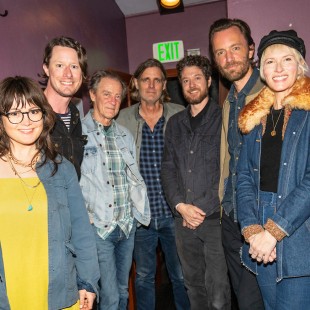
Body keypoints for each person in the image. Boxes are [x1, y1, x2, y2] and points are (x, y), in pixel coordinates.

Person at [0, 76, 100, 309]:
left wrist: (88, 281)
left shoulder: (61, 168)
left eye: (33, 111)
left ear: (43, 115)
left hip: (58, 289)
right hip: (8, 292)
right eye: (14, 113)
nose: (26, 121)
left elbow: (81, 229)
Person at [237, 29, 310, 309]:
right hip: (258, 228)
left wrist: (273, 232)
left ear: (300, 66)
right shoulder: (254, 118)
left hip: (298, 229)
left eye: (287, 59)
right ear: (262, 71)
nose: (278, 68)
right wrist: (252, 230)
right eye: (270, 61)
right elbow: (243, 177)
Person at [116, 58, 189, 310]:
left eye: (157, 79)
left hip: (174, 213)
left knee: (180, 276)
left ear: (163, 85)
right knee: (144, 276)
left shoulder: (180, 114)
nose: (151, 85)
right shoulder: (121, 118)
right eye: (145, 79)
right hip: (141, 217)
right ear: (136, 83)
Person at [161, 55, 231, 310]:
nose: (191, 85)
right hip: (182, 221)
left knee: (218, 291)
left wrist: (198, 209)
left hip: (214, 220)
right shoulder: (174, 124)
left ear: (209, 81)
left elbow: (228, 171)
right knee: (193, 286)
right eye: (185, 80)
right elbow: (167, 169)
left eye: (197, 78)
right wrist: (180, 206)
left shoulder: (225, 118)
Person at [79, 70, 151, 310]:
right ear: (92, 95)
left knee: (122, 292)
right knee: (108, 297)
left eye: (117, 96)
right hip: (99, 229)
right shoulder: (79, 135)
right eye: (106, 94)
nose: (112, 101)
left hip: (126, 227)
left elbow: (132, 179)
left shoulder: (125, 135)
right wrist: (85, 219)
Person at [209, 18, 264, 309]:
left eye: (235, 48)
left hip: (262, 219)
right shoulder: (229, 100)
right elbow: (229, 157)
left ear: (251, 49)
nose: (228, 58)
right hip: (230, 216)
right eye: (220, 52)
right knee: (243, 299)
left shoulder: (272, 94)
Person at [42, 36, 88, 179]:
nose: (68, 74)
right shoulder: (29, 113)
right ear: (46, 69)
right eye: (60, 65)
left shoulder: (75, 117)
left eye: (74, 66)